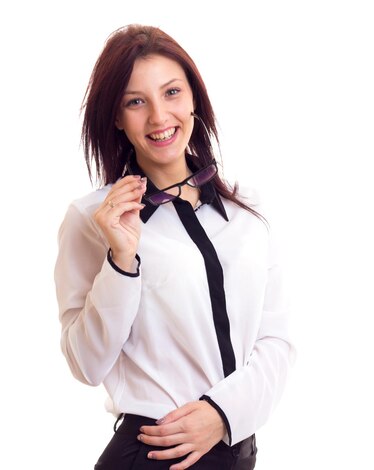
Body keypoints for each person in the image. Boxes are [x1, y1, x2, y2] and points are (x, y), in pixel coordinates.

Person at [54, 24, 294, 470]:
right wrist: (121, 260)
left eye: (171, 93)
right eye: (135, 102)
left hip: (240, 452)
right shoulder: (92, 219)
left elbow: (276, 340)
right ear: (116, 117)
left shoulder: (248, 210)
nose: (159, 117)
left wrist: (222, 415)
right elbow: (86, 364)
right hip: (150, 455)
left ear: (194, 99)